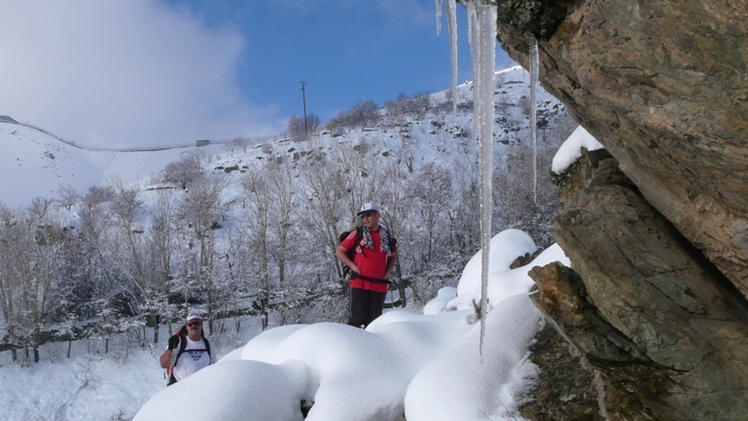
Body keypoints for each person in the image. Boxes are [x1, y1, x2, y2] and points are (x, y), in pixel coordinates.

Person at [336, 202, 398, 328]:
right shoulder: (358, 233)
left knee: (374, 323)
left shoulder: (387, 236)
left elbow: (392, 256)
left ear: (377, 214)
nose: (365, 219)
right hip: (359, 283)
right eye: (363, 216)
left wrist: (388, 271)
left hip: (378, 286)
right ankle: (355, 347)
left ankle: (371, 347)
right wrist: (352, 266)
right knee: (356, 320)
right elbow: (339, 251)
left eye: (368, 215)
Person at [159, 311, 217, 385]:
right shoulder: (178, 343)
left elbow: (214, 369)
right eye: (190, 323)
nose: (193, 326)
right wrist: (170, 347)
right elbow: (164, 364)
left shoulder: (208, 345)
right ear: (186, 326)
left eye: (196, 323)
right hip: (180, 389)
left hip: (202, 390)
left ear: (201, 325)